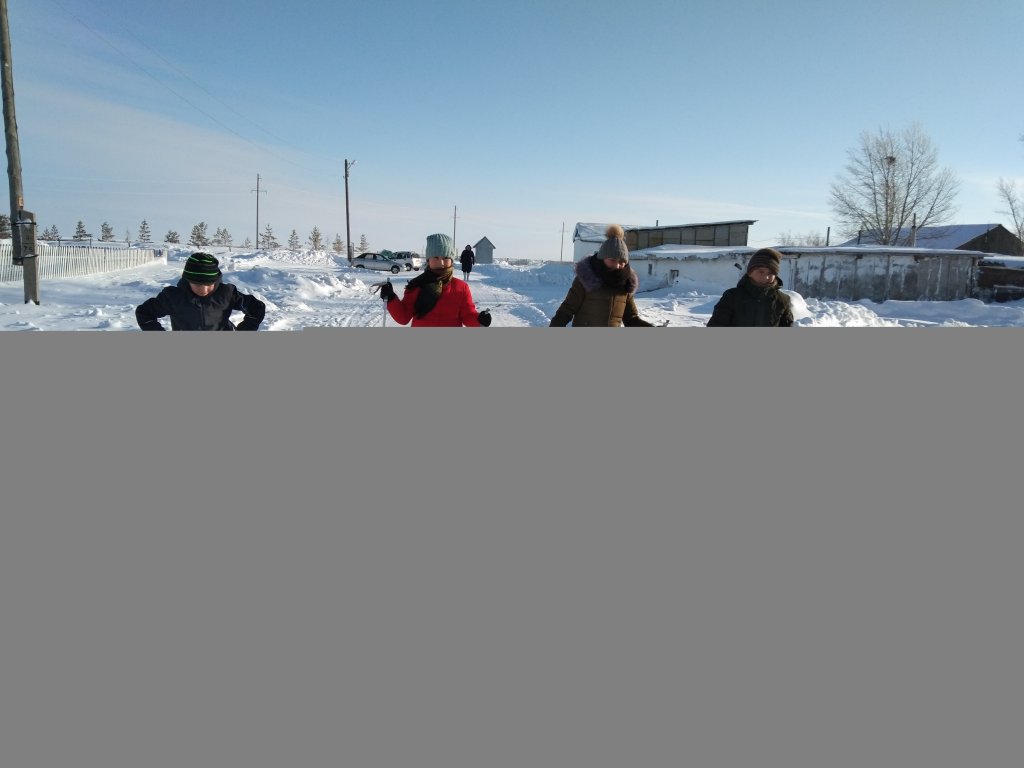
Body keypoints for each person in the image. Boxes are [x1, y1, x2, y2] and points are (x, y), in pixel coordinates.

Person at [549, 224, 654, 327]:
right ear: (602, 258)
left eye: (622, 262)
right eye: (613, 260)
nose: (617, 266)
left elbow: (631, 319)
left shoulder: (625, 285)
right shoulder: (587, 279)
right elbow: (566, 311)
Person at [378, 233, 491, 327]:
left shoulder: (461, 288)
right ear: (428, 260)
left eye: (446, 258)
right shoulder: (417, 285)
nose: (441, 262)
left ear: (452, 260)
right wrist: (391, 298)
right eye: (436, 257)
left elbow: (468, 316)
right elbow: (403, 318)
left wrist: (479, 320)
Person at [135, 252, 266, 331]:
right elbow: (144, 313)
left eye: (209, 284)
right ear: (188, 281)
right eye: (198, 284)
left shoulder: (226, 293)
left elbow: (256, 308)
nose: (204, 289)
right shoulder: (173, 297)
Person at [706, 248, 794, 327]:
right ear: (750, 272)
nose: (766, 277)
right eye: (761, 272)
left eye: (770, 273)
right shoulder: (732, 297)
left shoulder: (783, 300)